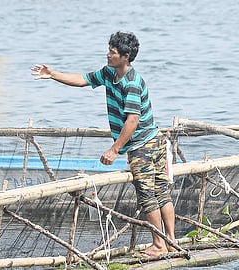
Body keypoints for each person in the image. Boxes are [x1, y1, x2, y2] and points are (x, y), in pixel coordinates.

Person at [31, 31, 176, 256]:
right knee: (161, 192)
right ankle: (171, 242)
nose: (108, 54)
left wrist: (115, 149)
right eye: (109, 50)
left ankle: (160, 245)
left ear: (125, 56)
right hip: (152, 140)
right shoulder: (109, 73)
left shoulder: (132, 82)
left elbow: (132, 121)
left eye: (113, 52)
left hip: (144, 146)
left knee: (150, 196)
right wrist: (52, 75)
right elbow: (83, 80)